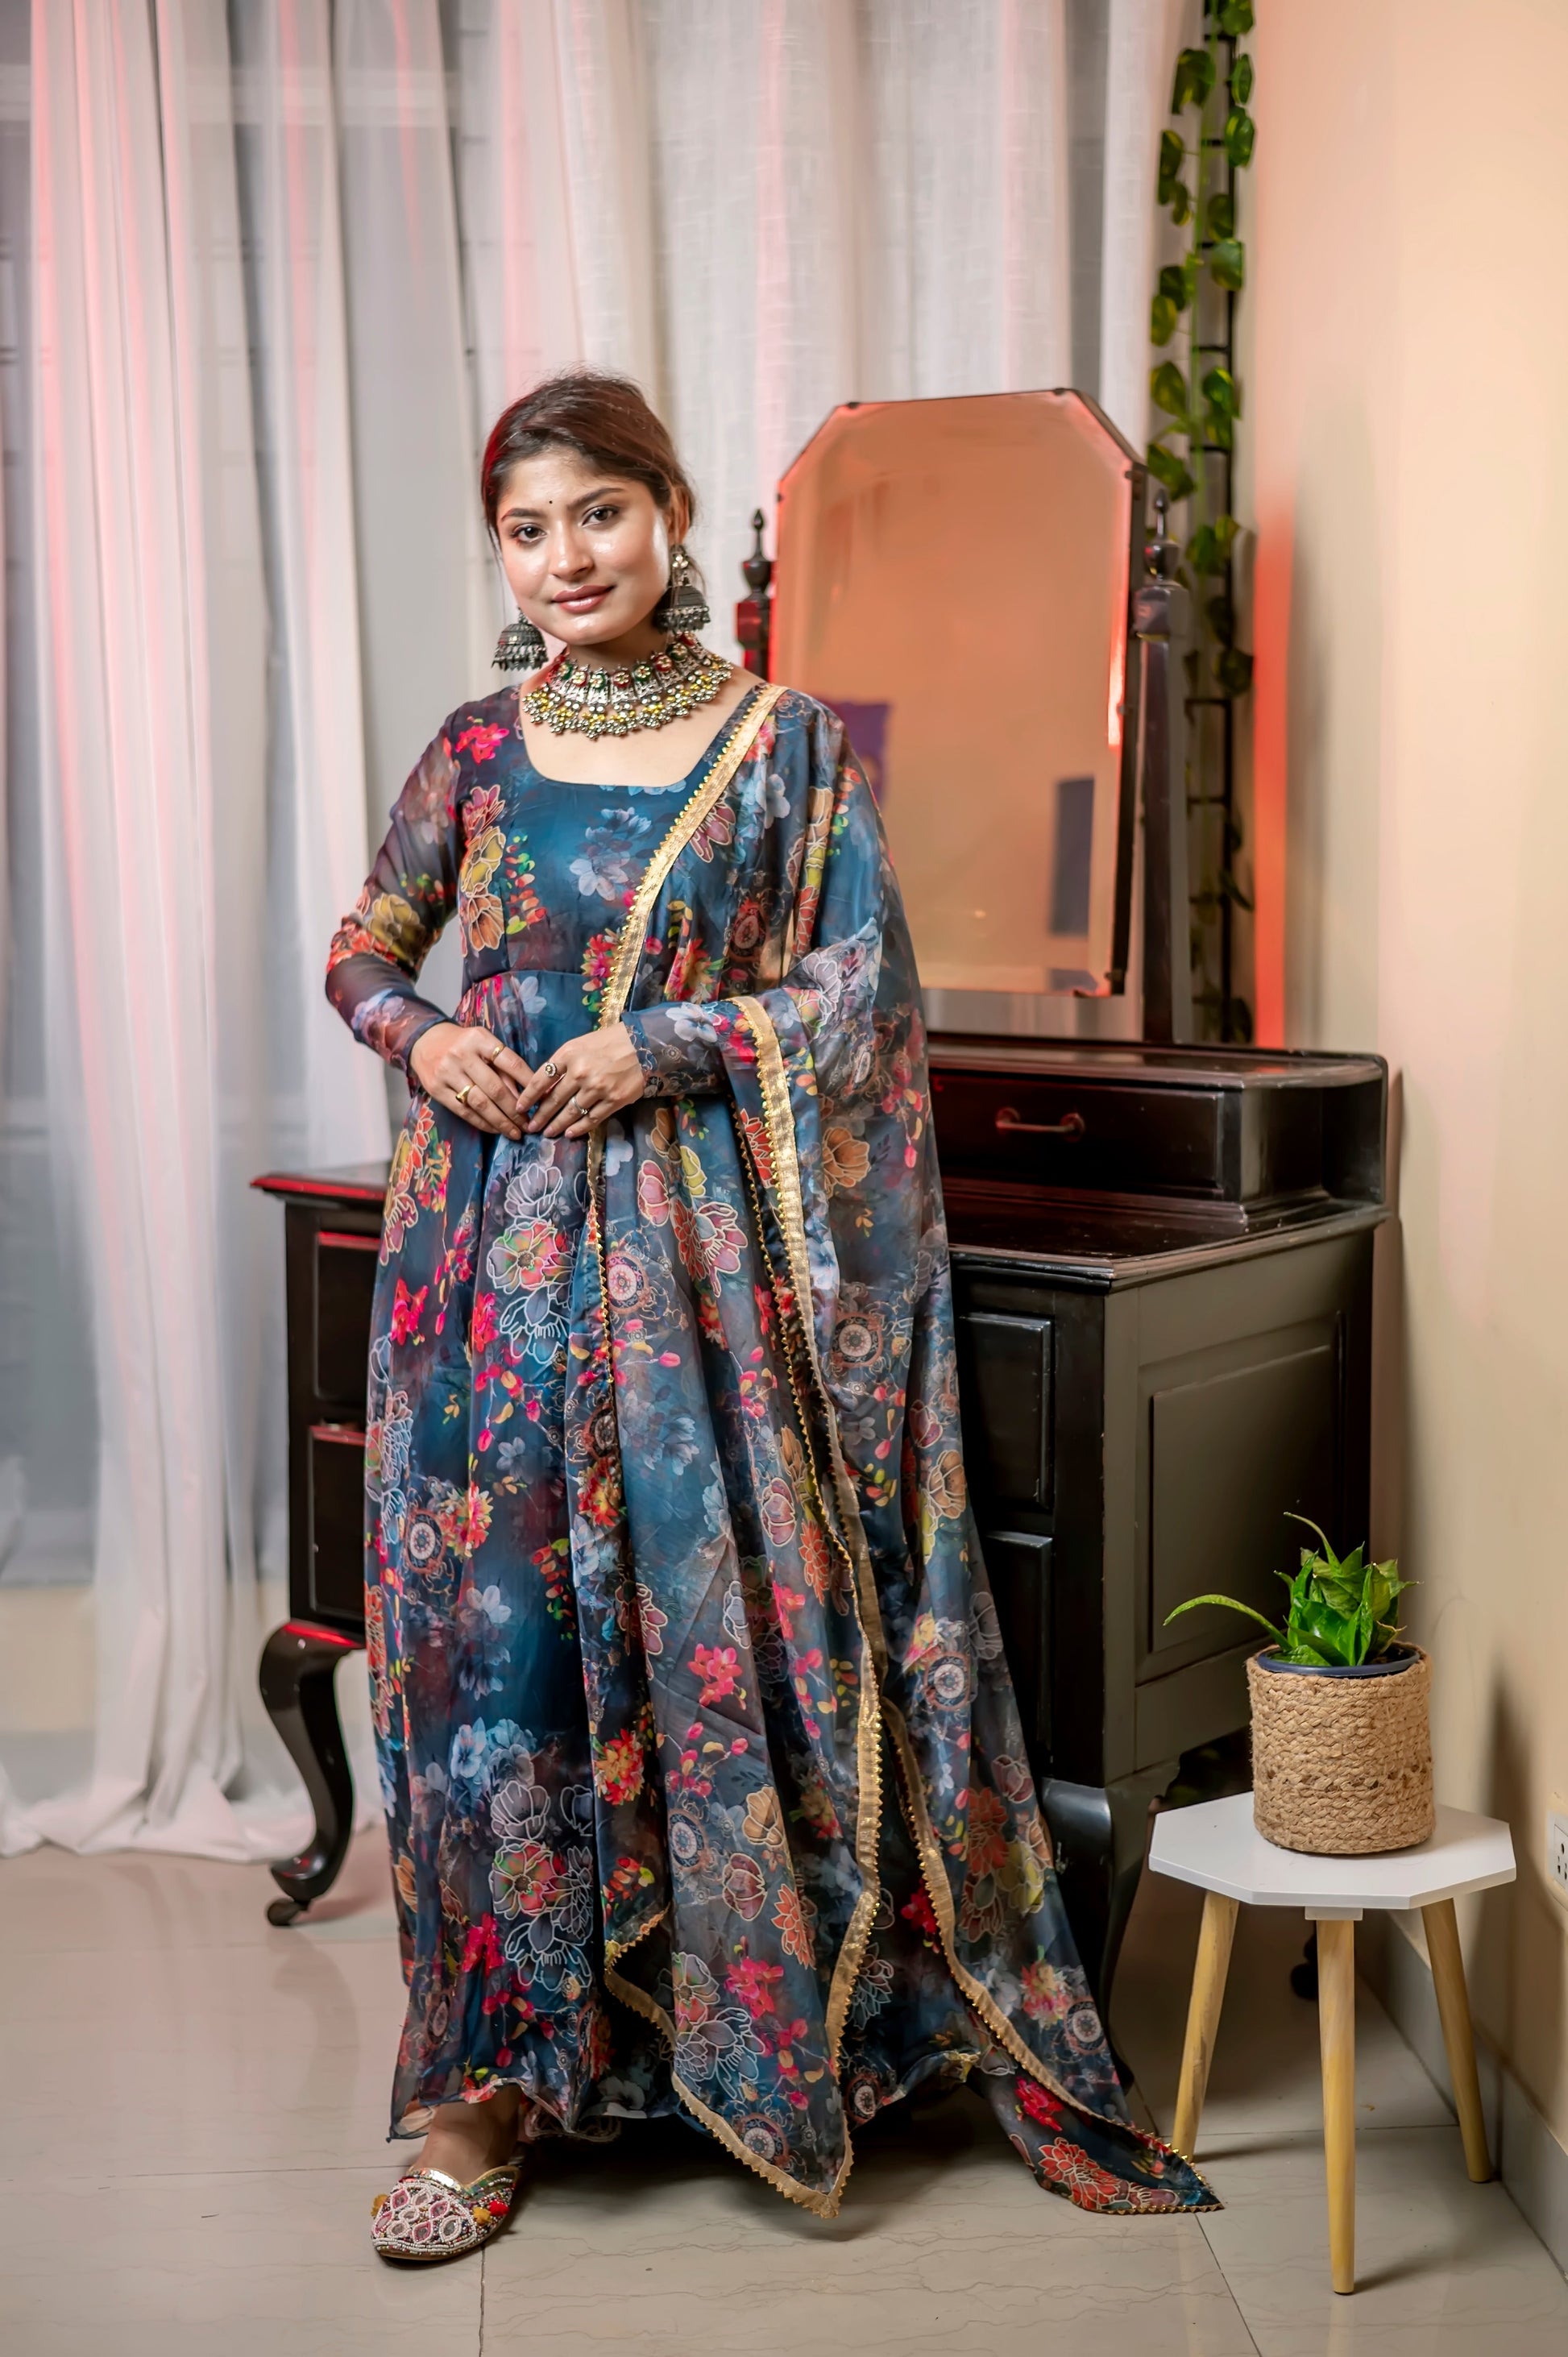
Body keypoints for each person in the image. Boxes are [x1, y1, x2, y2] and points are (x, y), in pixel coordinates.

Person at [326, 371, 1212, 2263]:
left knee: (716, 1629)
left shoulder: (784, 744)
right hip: (487, 1268)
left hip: (706, 1281)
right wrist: (425, 1034)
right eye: (526, 529)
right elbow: (366, 942)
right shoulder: (473, 752)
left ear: (669, 513)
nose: (566, 558)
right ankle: (485, 2084)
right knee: (500, 1655)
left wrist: (666, 1040)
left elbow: (857, 988)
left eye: (599, 514)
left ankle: (735, 2032)